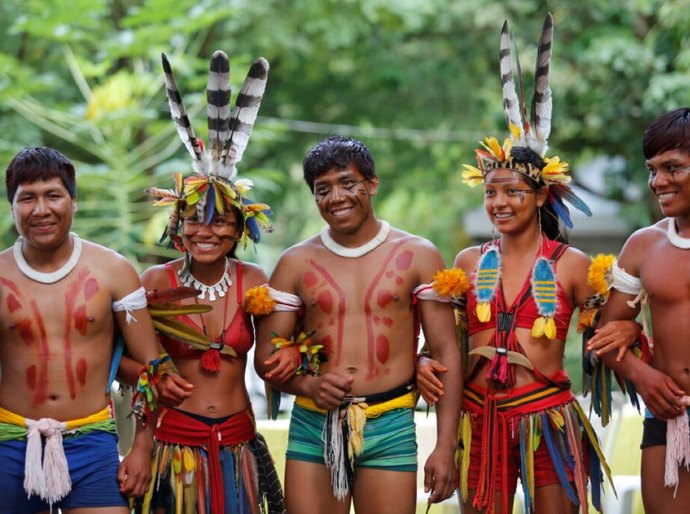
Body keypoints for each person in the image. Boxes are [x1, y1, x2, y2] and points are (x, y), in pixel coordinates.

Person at [418, 14, 639, 514]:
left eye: (513, 191)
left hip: (547, 420)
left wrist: (626, 333)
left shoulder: (573, 265)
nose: (499, 202)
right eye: (491, 192)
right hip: (479, 420)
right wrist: (423, 368)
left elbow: (614, 329)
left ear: (541, 195)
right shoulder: (467, 262)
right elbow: (444, 348)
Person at [251, 134, 463, 514]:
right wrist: (309, 384)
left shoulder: (418, 254)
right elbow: (266, 357)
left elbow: (446, 351)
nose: (336, 197)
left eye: (347, 183)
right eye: (322, 189)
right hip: (315, 424)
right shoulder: (295, 263)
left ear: (372, 184)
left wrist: (446, 446)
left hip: (391, 420)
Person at [134, 50, 285, 514]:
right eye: (195, 221)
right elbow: (124, 360)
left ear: (241, 230)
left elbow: (275, 357)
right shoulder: (155, 280)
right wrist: (151, 377)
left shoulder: (254, 281)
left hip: (238, 445)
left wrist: (294, 356)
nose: (207, 231)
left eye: (221, 222)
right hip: (172, 448)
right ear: (177, 227)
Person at [0, 146, 174, 513]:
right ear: (12, 207)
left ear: (74, 201)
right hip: (11, 441)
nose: (41, 209)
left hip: (92, 441)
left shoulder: (113, 270)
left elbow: (152, 370)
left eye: (53, 195)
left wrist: (142, 448)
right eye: (27, 198)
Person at [586, 107, 690, 514]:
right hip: (668, 417)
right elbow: (606, 335)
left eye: (673, 168)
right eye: (652, 170)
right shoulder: (644, 246)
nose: (658, 182)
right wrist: (643, 376)